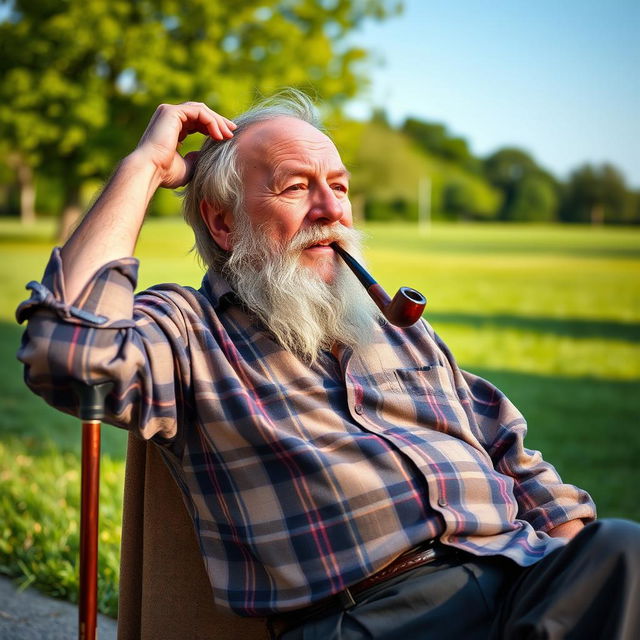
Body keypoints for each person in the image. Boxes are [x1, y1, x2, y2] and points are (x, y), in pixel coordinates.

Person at [16, 91, 640, 639]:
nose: (331, 210)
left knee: (620, 548)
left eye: (338, 187)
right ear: (224, 222)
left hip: (523, 580)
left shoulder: (396, 331)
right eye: (295, 187)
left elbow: (513, 455)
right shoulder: (188, 330)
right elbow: (67, 355)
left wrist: (572, 573)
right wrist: (145, 166)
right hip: (381, 614)